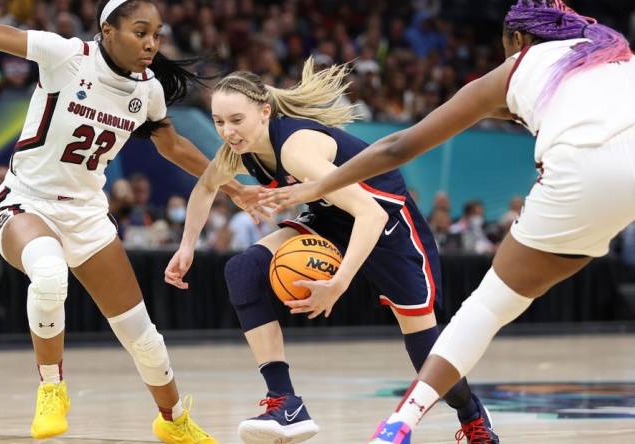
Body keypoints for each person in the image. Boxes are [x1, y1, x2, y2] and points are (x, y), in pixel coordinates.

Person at [262, 1, 635, 442]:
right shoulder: (615, 54)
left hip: (580, 171)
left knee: (488, 308)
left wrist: (313, 188)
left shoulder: (517, 67)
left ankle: (401, 421)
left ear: (518, 41)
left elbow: (397, 147)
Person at [0, 1, 262, 442]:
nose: (151, 43)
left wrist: (233, 186)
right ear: (108, 30)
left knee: (141, 335)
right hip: (27, 201)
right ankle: (52, 388)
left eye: (157, 35)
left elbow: (173, 145)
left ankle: (174, 421)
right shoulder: (65, 55)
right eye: (140, 32)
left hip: (87, 214)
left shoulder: (147, 90)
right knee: (49, 276)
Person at [164, 59, 497, 444]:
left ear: (264, 111)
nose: (227, 131)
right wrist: (186, 246)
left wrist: (338, 283)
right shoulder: (238, 150)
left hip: (390, 229)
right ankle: (284, 401)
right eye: (219, 122)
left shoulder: (295, 150)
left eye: (236, 120)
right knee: (243, 269)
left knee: (427, 357)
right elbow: (206, 188)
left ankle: (472, 414)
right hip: (331, 223)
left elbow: (368, 213)